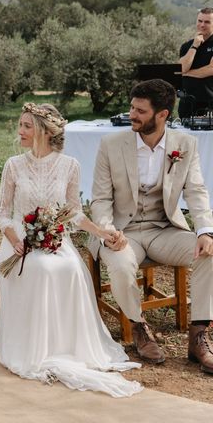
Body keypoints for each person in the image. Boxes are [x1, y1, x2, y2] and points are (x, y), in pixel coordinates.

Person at [0, 102, 142, 398]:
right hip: (19, 241)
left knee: (72, 268)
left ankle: (66, 344)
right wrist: (15, 239)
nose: (20, 131)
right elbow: (2, 213)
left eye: (27, 126)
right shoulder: (13, 165)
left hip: (56, 239)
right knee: (41, 268)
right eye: (20, 125)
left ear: (46, 132)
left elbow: (73, 212)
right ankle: (36, 346)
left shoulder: (70, 165)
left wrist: (101, 232)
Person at [90, 78, 213, 373]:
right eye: (132, 107)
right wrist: (107, 230)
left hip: (164, 229)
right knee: (119, 266)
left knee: (211, 252)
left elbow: (196, 191)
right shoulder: (110, 145)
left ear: (162, 115)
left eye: (140, 111)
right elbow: (100, 198)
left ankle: (199, 336)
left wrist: (205, 231)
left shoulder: (185, 145)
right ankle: (139, 327)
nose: (132, 114)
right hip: (123, 231)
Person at [178, 7, 213, 118]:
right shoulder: (186, 46)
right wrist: (194, 46)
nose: (202, 25)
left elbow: (210, 69)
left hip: (210, 104)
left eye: (207, 22)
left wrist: (186, 73)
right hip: (187, 105)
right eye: (200, 21)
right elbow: (182, 68)